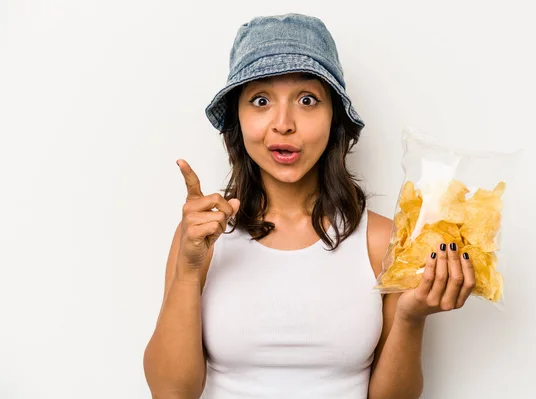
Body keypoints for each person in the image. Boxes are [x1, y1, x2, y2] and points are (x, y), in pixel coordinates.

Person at [143, 13, 475, 399]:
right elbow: (170, 393)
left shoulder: (383, 240)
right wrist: (188, 270)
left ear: (334, 118)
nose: (283, 123)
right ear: (239, 117)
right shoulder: (200, 238)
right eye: (261, 100)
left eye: (307, 100)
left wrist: (410, 316)